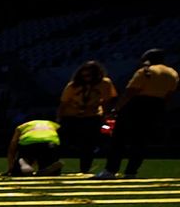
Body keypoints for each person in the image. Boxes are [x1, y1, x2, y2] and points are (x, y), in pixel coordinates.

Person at [96, 49, 176, 180]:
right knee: (141, 141)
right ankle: (131, 171)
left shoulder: (145, 71)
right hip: (156, 106)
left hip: (137, 105)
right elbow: (169, 94)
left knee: (119, 139)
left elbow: (130, 92)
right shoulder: (172, 73)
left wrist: (116, 109)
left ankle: (111, 170)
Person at [57, 61, 116, 175]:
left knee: (88, 145)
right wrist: (59, 118)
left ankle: (85, 169)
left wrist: (106, 116)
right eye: (84, 76)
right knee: (65, 142)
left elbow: (108, 100)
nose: (86, 78)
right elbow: (63, 103)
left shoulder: (104, 83)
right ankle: (54, 165)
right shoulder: (73, 85)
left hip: (92, 116)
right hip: (71, 116)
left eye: (89, 75)